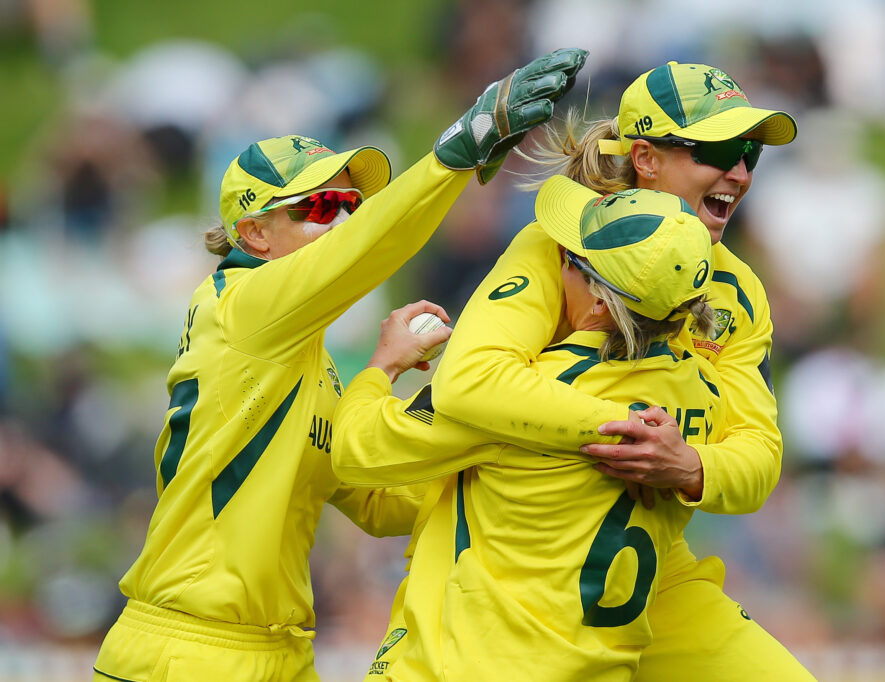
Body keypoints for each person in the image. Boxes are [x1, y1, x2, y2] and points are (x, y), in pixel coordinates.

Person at [91, 47, 589, 682]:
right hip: (190, 650)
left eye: (350, 204)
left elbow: (381, 501)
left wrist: (499, 418)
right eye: (321, 208)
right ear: (253, 237)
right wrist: (457, 152)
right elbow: (364, 253)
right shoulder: (240, 305)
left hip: (280, 651)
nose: (346, 219)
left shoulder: (306, 360)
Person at [426, 61, 817, 680]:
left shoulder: (739, 291)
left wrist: (688, 466)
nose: (740, 173)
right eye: (717, 149)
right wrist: (631, 430)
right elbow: (465, 381)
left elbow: (760, 457)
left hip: (653, 568)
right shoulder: (562, 246)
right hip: (519, 568)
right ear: (646, 158)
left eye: (750, 152)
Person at [333, 178, 725, 680]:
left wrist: (380, 368)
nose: (557, 263)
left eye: (569, 260)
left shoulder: (522, 394)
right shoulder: (699, 400)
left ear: (602, 303)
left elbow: (356, 450)